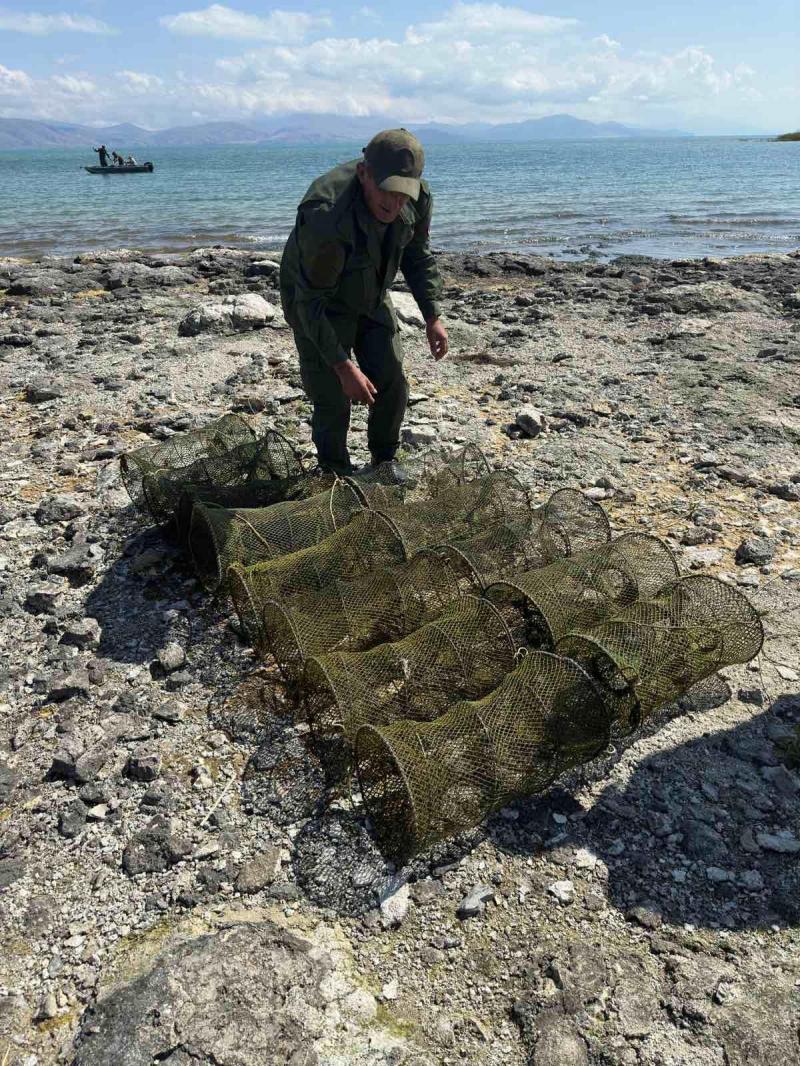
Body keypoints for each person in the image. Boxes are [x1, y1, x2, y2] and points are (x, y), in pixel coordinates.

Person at [280, 128, 448, 474]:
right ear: (363, 173)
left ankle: (384, 462)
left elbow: (417, 254)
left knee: (392, 381)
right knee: (332, 396)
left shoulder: (417, 196)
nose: (394, 203)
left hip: (371, 293)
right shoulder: (326, 214)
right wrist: (344, 366)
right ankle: (334, 474)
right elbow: (308, 301)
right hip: (318, 303)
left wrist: (432, 315)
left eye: (403, 194)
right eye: (387, 191)